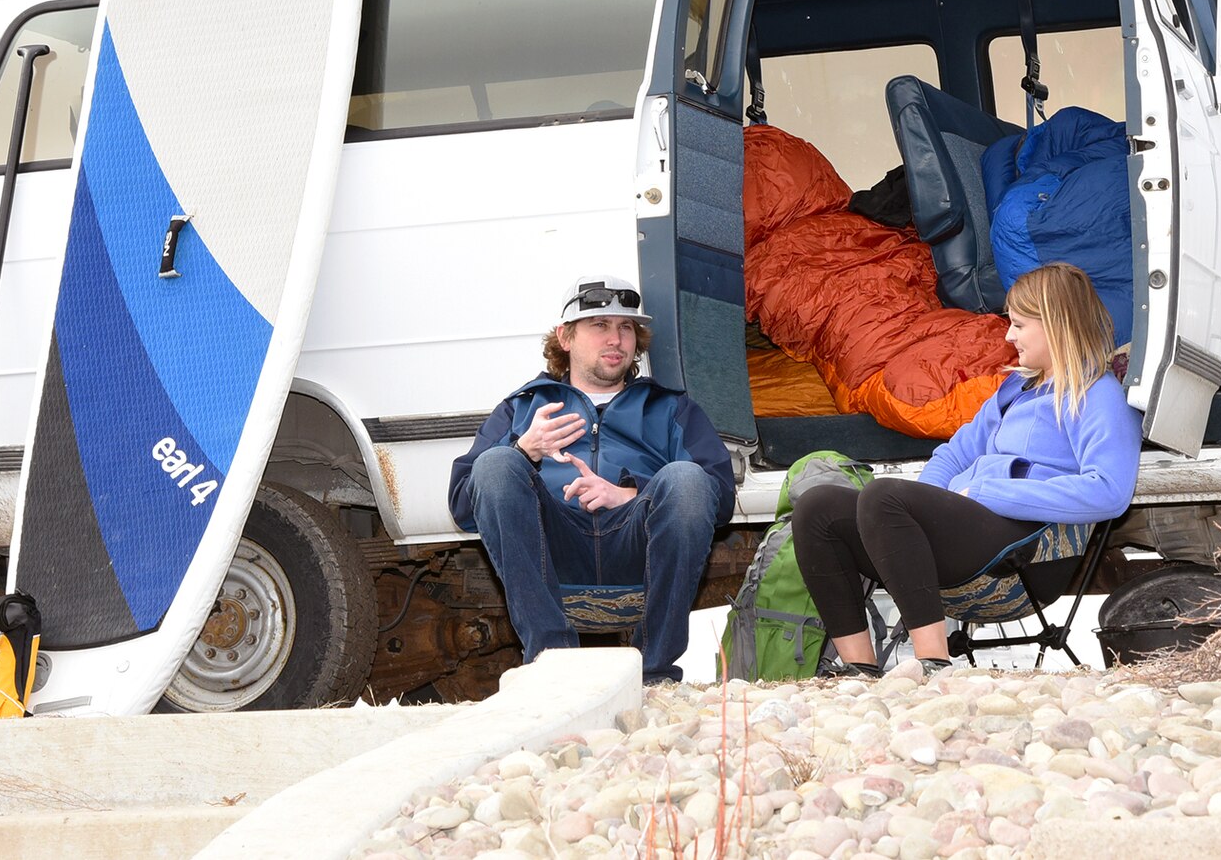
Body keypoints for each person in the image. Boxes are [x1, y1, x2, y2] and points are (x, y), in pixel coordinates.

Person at [791, 262, 1139, 676]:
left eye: (1019, 324)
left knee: (883, 495)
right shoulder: (1016, 390)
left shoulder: (1097, 394)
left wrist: (985, 494)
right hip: (968, 530)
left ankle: (934, 663)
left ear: (1056, 325)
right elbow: (954, 455)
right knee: (819, 507)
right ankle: (859, 669)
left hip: (1022, 549)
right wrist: (926, 506)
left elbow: (1109, 491)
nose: (1009, 335)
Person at [447, 275, 735, 683]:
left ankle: (652, 674)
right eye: (599, 326)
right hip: (555, 546)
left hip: (639, 542)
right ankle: (553, 667)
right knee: (495, 464)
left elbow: (719, 497)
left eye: (625, 328)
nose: (615, 339)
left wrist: (632, 494)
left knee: (688, 479)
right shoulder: (523, 407)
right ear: (565, 337)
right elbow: (462, 503)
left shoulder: (669, 407)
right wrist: (524, 452)